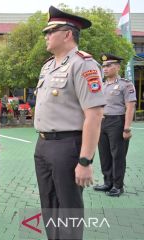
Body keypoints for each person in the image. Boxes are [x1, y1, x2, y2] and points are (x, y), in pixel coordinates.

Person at [34, 6, 106, 239]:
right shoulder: (47, 66)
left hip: (67, 146)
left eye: (50, 32)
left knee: (69, 207)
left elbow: (94, 115)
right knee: (49, 204)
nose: (46, 36)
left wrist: (85, 160)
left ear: (67, 34)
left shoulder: (83, 64)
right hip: (43, 145)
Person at [94, 54, 137, 197]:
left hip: (117, 122)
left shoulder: (126, 84)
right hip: (102, 122)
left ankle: (118, 186)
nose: (105, 68)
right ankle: (107, 182)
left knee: (117, 155)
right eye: (104, 66)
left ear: (117, 67)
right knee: (104, 154)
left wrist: (127, 128)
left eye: (108, 65)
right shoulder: (101, 85)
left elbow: (130, 107)